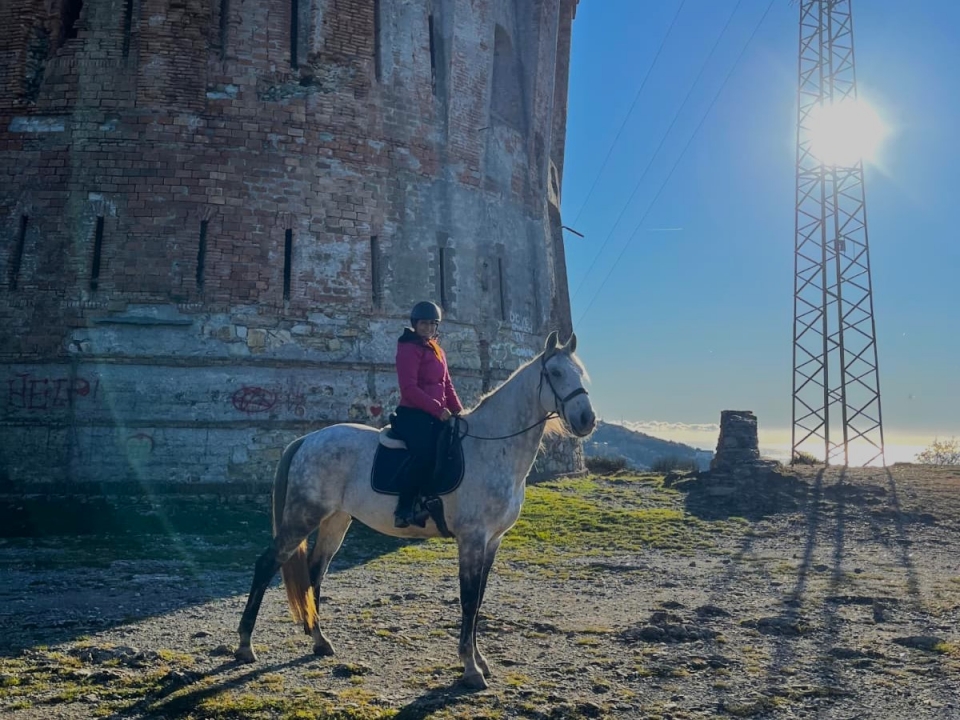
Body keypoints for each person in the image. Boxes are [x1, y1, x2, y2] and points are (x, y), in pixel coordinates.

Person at [391, 300, 463, 527]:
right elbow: (409, 389)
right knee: (424, 453)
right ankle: (404, 509)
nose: (428, 328)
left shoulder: (438, 350)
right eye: (424, 324)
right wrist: (437, 409)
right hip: (413, 414)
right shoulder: (408, 348)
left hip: (435, 414)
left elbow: (447, 384)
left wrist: (459, 411)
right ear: (415, 324)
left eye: (433, 324)